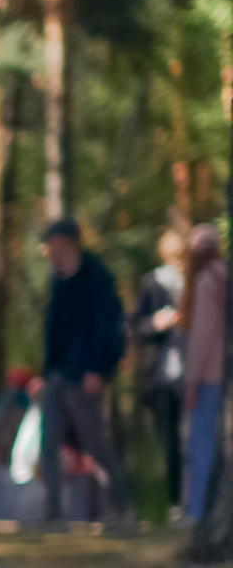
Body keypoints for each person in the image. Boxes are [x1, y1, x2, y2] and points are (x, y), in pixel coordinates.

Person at [35, 217, 128, 519]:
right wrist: (46, 372)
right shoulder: (57, 280)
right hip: (58, 373)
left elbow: (107, 327)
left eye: (54, 245)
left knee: (95, 443)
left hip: (84, 374)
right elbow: (54, 332)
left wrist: (96, 369)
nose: (50, 251)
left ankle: (119, 507)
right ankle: (51, 509)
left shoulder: (96, 279)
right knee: (48, 441)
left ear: (68, 243)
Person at [132, 229, 187, 515]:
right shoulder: (153, 284)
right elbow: (136, 327)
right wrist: (156, 324)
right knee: (169, 443)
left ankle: (191, 500)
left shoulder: (194, 282)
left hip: (191, 374)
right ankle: (174, 502)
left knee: (190, 439)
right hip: (161, 377)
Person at [183, 225, 224, 526]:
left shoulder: (206, 282)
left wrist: (192, 380)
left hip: (209, 377)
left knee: (201, 444)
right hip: (226, 376)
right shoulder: (227, 277)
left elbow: (202, 334)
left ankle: (198, 510)